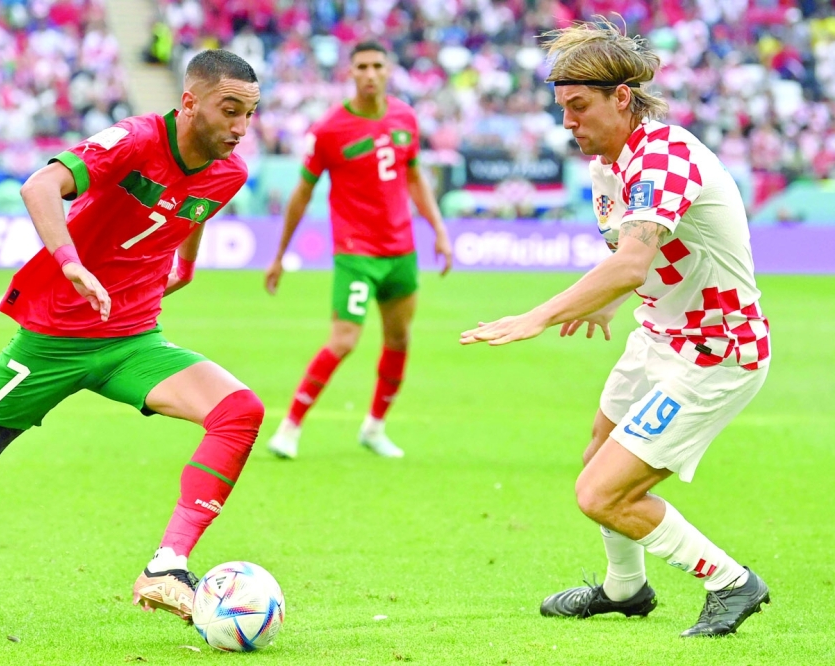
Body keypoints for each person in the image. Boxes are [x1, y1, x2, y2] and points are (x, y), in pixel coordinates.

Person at [0, 50, 262, 623]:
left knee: (239, 409)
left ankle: (168, 562)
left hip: (132, 341)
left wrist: (182, 269)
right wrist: (68, 262)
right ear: (190, 103)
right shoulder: (137, 139)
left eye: (250, 114)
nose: (241, 128)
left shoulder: (231, 172)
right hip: (50, 342)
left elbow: (193, 216)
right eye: (230, 110)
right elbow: (40, 185)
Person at [460, 20, 771, 638]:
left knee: (602, 494)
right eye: (563, 109)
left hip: (716, 350)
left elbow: (631, 259)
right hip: (659, 334)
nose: (567, 123)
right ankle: (625, 590)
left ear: (620, 97)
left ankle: (731, 582)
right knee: (597, 456)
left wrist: (537, 317)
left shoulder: (662, 156)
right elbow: (639, 259)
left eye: (578, 107)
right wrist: (604, 303)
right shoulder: (610, 161)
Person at [264, 40, 453, 460]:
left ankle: (374, 427)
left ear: (389, 71)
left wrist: (438, 230)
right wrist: (279, 255)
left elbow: (415, 178)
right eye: (362, 66)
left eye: (377, 66)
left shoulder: (405, 117)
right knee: (344, 340)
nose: (370, 73)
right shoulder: (330, 129)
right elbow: (300, 194)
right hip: (355, 252)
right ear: (350, 73)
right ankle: (290, 427)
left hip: (402, 250)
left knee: (400, 338)